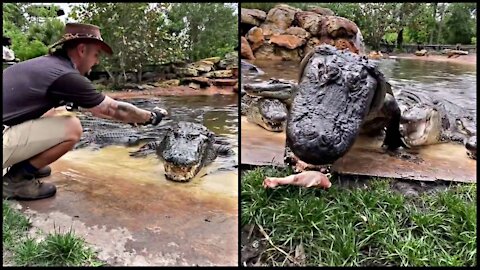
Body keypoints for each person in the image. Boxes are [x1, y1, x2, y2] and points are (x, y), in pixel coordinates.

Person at [3, 23, 168, 200]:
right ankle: (15, 181)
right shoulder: (66, 75)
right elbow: (111, 109)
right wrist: (150, 117)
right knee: (72, 127)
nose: (97, 61)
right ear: (82, 50)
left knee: (53, 112)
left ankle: (26, 164)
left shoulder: (45, 65)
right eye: (96, 54)